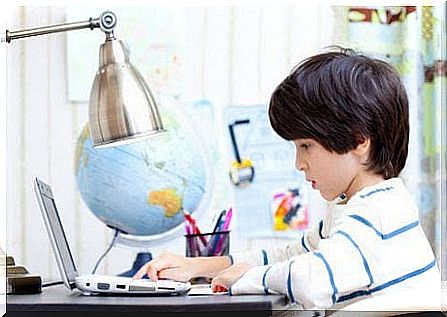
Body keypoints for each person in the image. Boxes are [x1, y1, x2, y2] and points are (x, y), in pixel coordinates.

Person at [134, 47, 440, 310]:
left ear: (359, 140)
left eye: (306, 146)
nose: (299, 163)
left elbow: (314, 280)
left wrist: (246, 278)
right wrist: (198, 267)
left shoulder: (377, 214)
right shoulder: (360, 206)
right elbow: (292, 255)